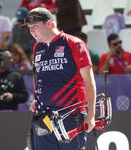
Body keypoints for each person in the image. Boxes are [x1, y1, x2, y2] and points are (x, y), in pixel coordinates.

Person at [24, 7, 96, 149]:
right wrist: (37, 98)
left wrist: (91, 115)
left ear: (49, 23)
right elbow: (41, 76)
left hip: (71, 116)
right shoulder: (37, 48)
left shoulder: (75, 44)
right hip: (43, 117)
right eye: (29, 27)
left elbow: (89, 81)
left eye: (35, 26)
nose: (31, 31)